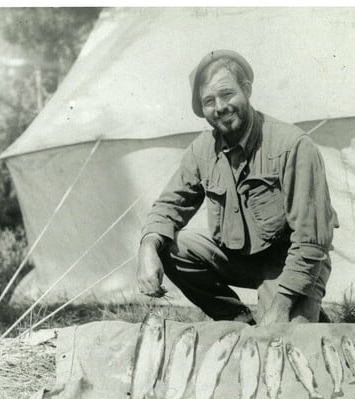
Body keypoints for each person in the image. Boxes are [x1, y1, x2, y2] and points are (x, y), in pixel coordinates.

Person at [136, 50, 338, 325]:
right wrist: (147, 247)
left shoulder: (292, 145)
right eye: (209, 101)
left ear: (247, 89)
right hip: (238, 258)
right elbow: (169, 206)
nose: (219, 107)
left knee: (281, 346)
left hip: (291, 263)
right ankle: (239, 320)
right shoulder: (202, 149)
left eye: (227, 94)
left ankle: (301, 310)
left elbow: (311, 240)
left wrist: (281, 307)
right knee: (171, 246)